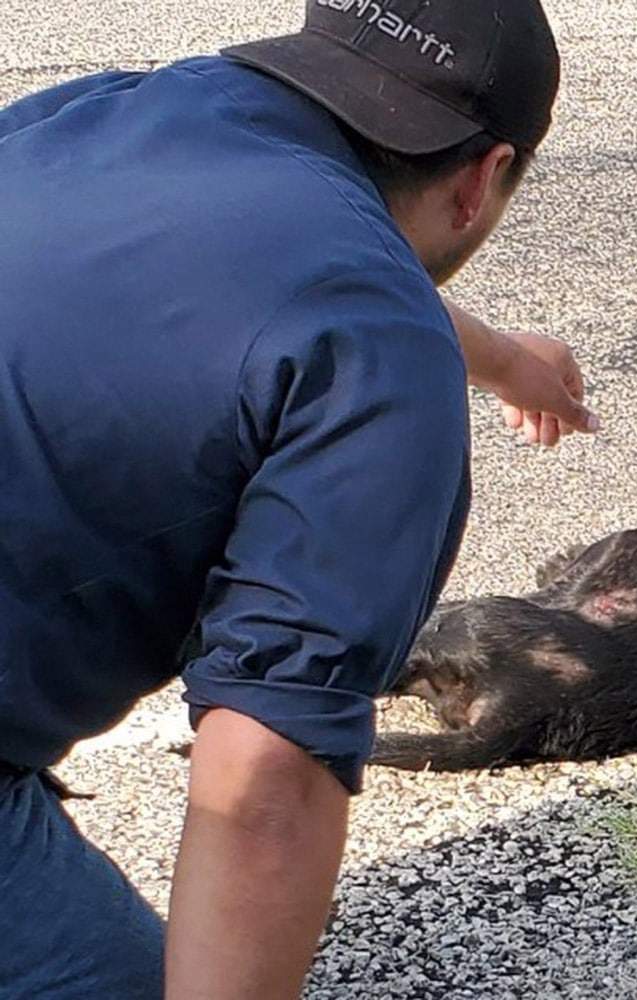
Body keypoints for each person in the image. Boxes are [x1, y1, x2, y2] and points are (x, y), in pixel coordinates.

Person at [0, 1, 592, 996]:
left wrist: (500, 360)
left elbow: (281, 273)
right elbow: (263, 782)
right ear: (485, 178)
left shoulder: (105, 115)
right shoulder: (376, 346)